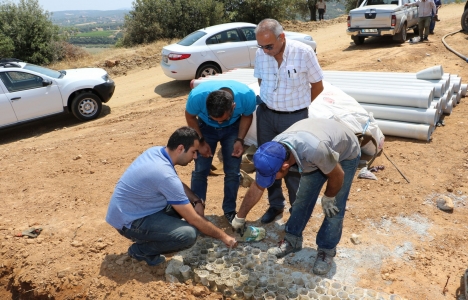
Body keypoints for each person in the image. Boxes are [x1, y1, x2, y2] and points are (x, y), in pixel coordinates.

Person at [231, 119, 361, 275]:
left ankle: (326, 250)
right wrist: (240, 216)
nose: (271, 182)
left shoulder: (314, 150)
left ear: (285, 166)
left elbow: (338, 175)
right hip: (318, 148)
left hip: (345, 152)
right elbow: (258, 186)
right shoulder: (271, 151)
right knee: (302, 199)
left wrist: (328, 196)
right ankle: (292, 240)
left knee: (334, 206)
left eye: (273, 176)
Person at [106, 127, 237, 266]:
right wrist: (225, 237)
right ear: (180, 148)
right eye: (193, 152)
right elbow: (194, 219)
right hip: (129, 222)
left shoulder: (157, 152)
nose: (195, 157)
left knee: (185, 205)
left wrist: (196, 200)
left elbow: (175, 183)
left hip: (134, 209)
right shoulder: (164, 174)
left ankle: (154, 235)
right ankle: (141, 250)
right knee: (188, 234)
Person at [254, 18, 324, 224]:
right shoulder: (261, 54)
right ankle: (275, 205)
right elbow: (261, 80)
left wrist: (299, 107)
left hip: (294, 119)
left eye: (269, 46)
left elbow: (318, 85)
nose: (265, 50)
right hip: (266, 116)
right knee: (268, 163)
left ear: (282, 37)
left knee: (292, 167)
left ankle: (297, 210)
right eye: (261, 46)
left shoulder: (303, 53)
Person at [185, 80, 256, 224]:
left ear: (233, 107)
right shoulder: (197, 97)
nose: (219, 123)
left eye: (222, 119)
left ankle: (229, 210)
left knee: (232, 171)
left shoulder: (246, 96)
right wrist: (201, 142)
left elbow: (247, 116)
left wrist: (240, 140)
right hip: (205, 128)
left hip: (233, 129)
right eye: (215, 119)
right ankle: (197, 210)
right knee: (200, 170)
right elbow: (190, 117)